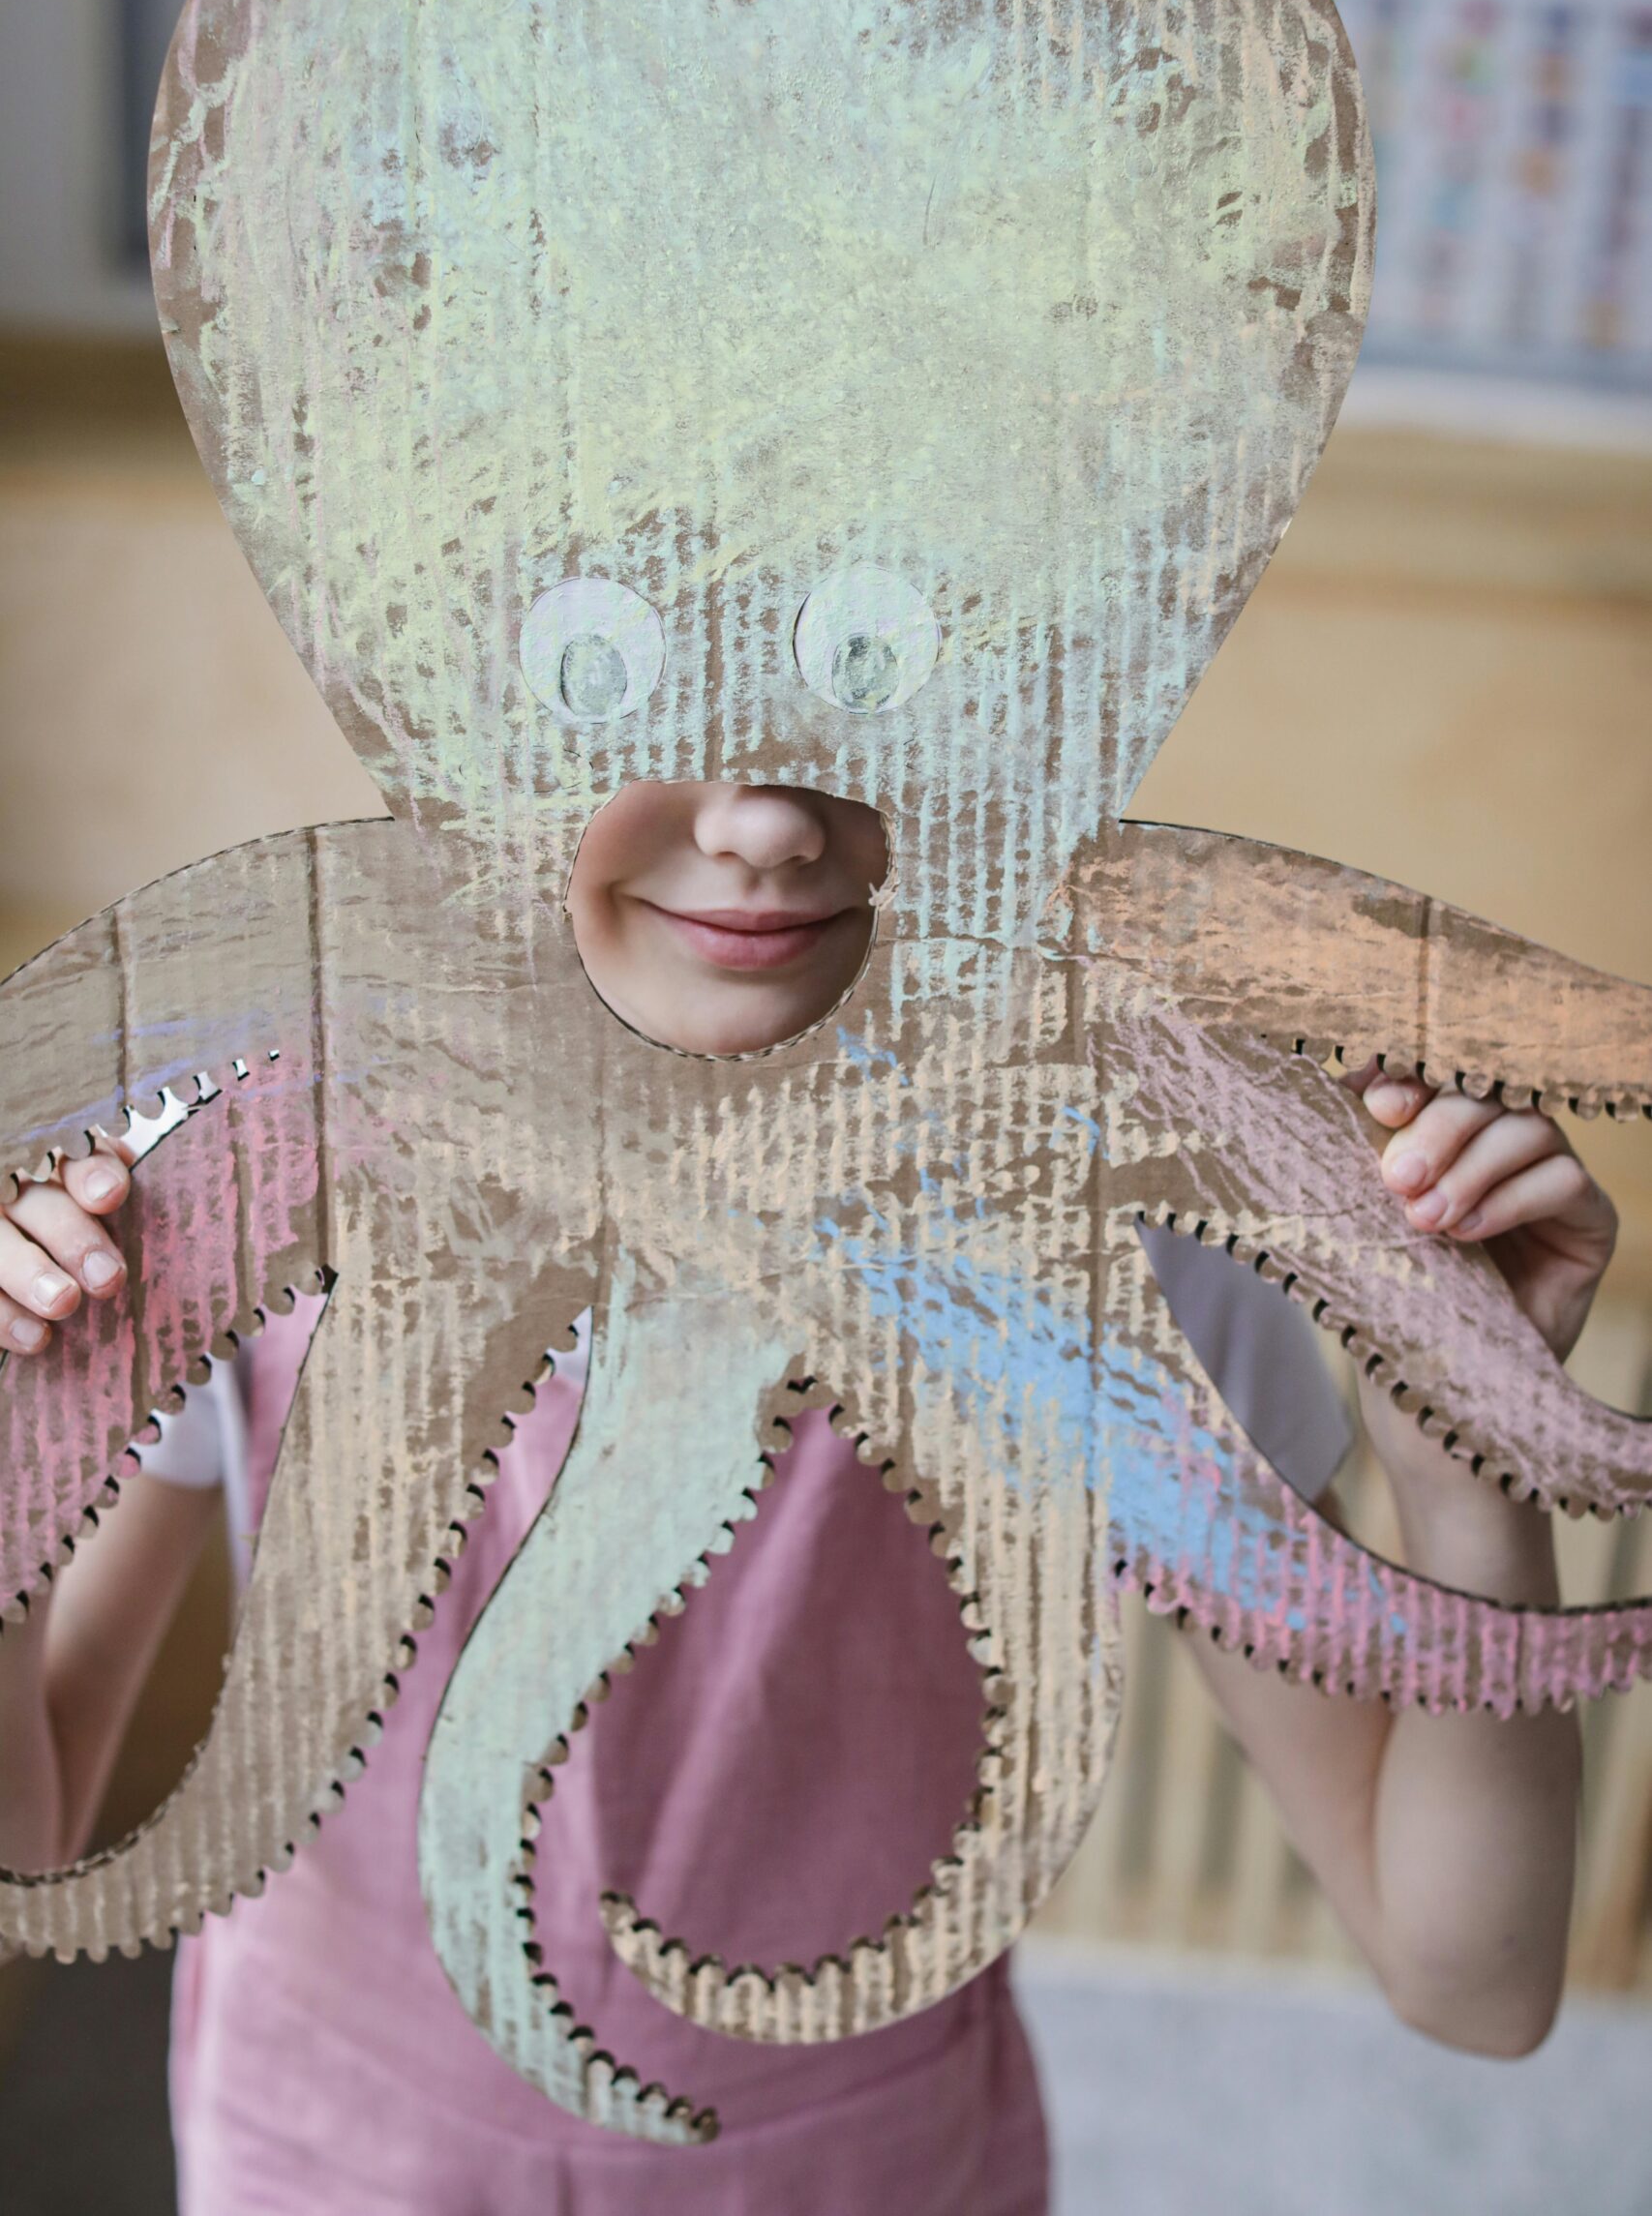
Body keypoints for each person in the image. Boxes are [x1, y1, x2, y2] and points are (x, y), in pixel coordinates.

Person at [0, 779, 1616, 2213]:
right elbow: (34, 1828)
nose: (767, 820)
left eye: (850, 697)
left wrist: (1474, 1461)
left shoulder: (1116, 1228)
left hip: (865, 2165)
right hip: (328, 2148)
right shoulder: (226, 1168)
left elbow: (1468, 1980)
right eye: (657, 685)